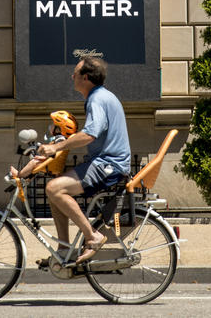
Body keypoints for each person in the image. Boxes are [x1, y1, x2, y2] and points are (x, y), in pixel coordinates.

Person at [36, 56, 130, 264]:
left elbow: (89, 134)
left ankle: (93, 236)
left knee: (53, 188)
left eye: (75, 73)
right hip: (106, 163)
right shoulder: (103, 97)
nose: (72, 76)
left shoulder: (97, 99)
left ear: (85, 78)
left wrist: (56, 147)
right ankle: (64, 250)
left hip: (108, 165)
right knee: (55, 191)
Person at [9, 110, 77, 179]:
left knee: (33, 162)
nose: (51, 126)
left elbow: (55, 153)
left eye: (53, 124)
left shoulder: (60, 139)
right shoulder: (62, 140)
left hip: (50, 165)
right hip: (53, 165)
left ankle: (19, 175)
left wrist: (43, 158)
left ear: (58, 129)